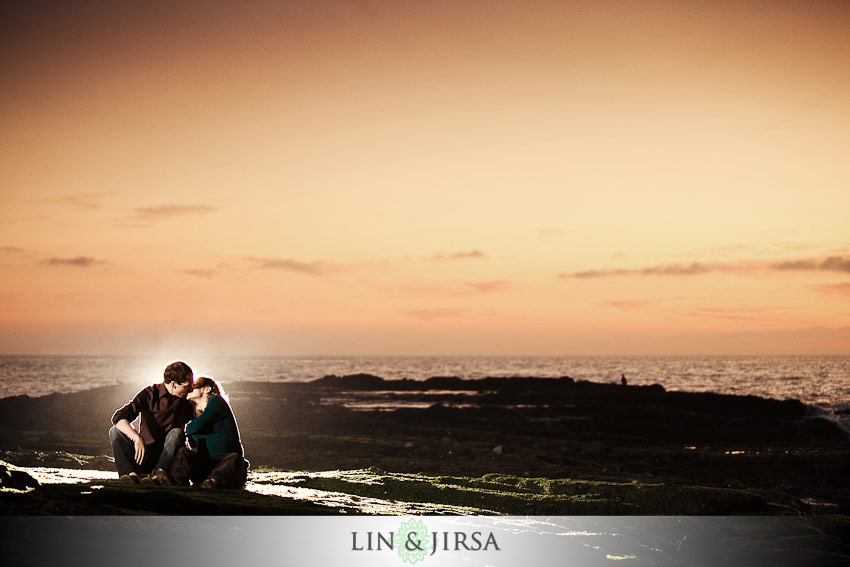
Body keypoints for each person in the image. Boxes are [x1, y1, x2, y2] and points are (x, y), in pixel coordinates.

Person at [109, 361, 195, 483]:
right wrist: (137, 438)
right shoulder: (150, 394)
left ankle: (157, 477)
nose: (190, 389)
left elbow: (199, 425)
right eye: (187, 386)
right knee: (115, 431)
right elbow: (118, 418)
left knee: (177, 433)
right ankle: (130, 475)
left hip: (168, 458)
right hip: (143, 453)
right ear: (173, 384)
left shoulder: (188, 399)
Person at [166, 376, 248, 489]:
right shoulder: (195, 412)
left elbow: (194, 427)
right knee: (183, 453)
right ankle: (176, 482)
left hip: (225, 466)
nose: (189, 389)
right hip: (206, 467)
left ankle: (213, 482)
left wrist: (189, 426)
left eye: (194, 387)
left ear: (206, 389)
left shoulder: (216, 401)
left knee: (235, 458)